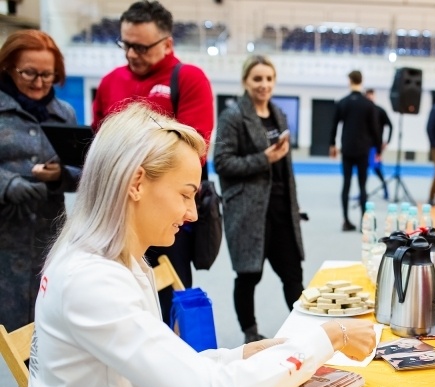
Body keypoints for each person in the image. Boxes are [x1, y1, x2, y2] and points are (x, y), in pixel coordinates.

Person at [12, 103, 376, 387]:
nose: (192, 214)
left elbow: (165, 370)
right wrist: (326, 337)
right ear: (136, 183)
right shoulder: (92, 282)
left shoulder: (123, 262)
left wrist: (241, 355)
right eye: (186, 194)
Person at [92, 0, 214, 323]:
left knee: (171, 300)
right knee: (117, 300)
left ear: (167, 44)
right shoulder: (109, 82)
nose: (132, 54)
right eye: (126, 45)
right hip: (118, 214)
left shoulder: (188, 79)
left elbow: (193, 150)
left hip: (166, 213)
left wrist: (131, 160)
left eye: (141, 47)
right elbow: (98, 145)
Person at [214, 56, 305, 343]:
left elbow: (285, 169)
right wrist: (262, 159)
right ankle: (250, 333)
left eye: (268, 79)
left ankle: (304, 328)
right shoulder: (232, 117)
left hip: (281, 209)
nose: (263, 84)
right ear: (245, 82)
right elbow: (222, 162)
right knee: (248, 276)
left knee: (293, 275)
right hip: (249, 211)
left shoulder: (279, 114)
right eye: (257, 79)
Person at [0, 29, 80, 332]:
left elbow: (84, 174)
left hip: (47, 240)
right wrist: (7, 185)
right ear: (8, 67)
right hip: (5, 238)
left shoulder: (64, 114)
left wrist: (60, 175)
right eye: (29, 73)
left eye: (47, 75)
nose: (38, 83)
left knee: (45, 335)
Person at [329, 70, 381, 231]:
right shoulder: (368, 104)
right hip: (363, 150)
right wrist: (378, 148)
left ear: (349, 81)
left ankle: (346, 220)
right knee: (362, 186)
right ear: (362, 81)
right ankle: (363, 223)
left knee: (346, 184)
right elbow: (375, 129)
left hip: (347, 149)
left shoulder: (343, 102)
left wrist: (332, 145)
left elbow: (334, 125)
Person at [365, 88, 392, 199]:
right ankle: (363, 192)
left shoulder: (379, 111)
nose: (369, 98)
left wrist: (387, 141)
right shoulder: (362, 112)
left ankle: (386, 190)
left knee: (377, 170)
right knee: (363, 171)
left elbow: (390, 125)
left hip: (375, 147)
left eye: (371, 95)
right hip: (364, 146)